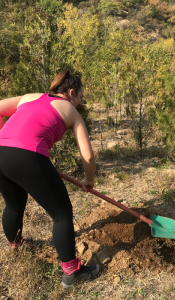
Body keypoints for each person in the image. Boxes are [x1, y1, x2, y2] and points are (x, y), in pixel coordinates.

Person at [0, 69, 100, 287]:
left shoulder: (30, 97)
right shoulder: (71, 112)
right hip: (28, 155)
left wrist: (3, 139)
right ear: (72, 93)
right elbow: (88, 155)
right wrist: (89, 180)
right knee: (62, 213)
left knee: (14, 205)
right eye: (80, 98)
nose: (80, 103)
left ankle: (16, 247)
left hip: (1, 153)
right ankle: (72, 272)